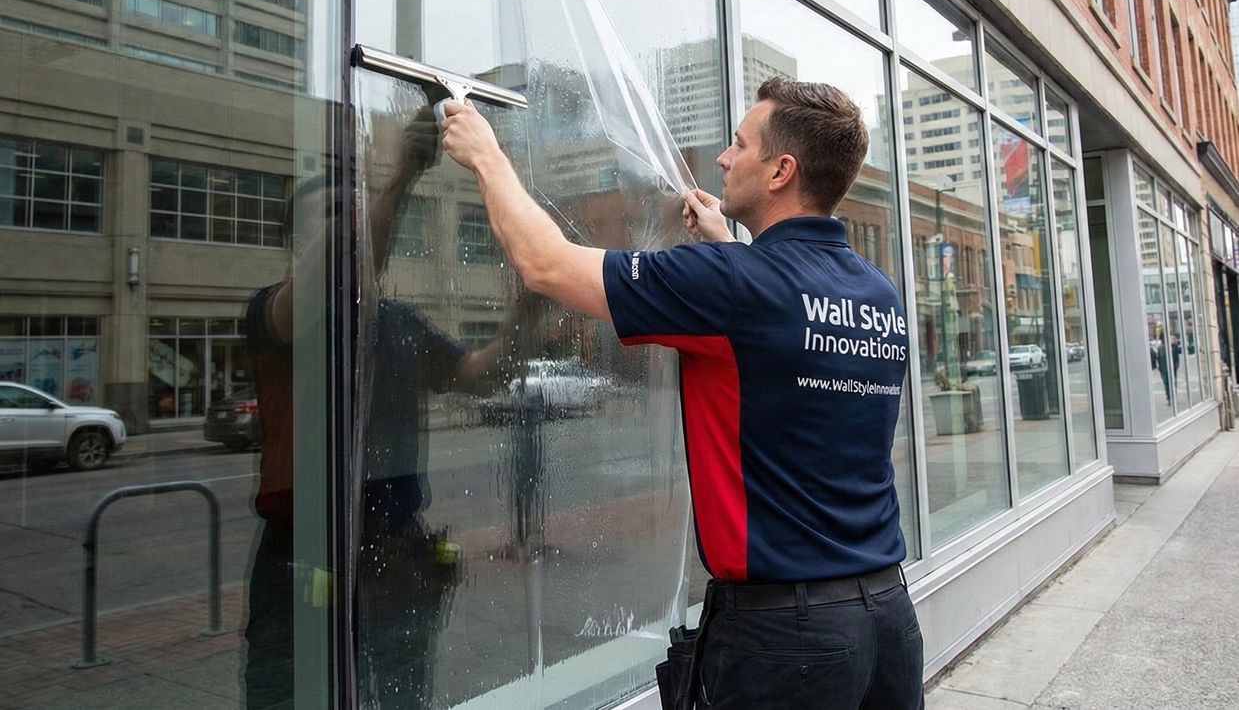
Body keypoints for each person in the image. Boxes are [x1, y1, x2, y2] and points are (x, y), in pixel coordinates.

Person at [440, 75, 922, 709]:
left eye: (739, 144)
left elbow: (546, 264)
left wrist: (485, 153)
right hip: (886, 619)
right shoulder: (877, 293)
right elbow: (781, 342)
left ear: (780, 171)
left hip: (787, 641)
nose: (723, 158)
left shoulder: (733, 286)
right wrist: (725, 243)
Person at [241, 108, 541, 709]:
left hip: (396, 546)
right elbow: (338, 275)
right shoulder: (275, 313)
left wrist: (531, 304)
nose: (352, 224)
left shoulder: (398, 322)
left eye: (354, 212)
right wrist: (399, 175)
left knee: (404, 693)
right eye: (332, 217)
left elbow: (478, 376)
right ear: (295, 244)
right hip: (305, 552)